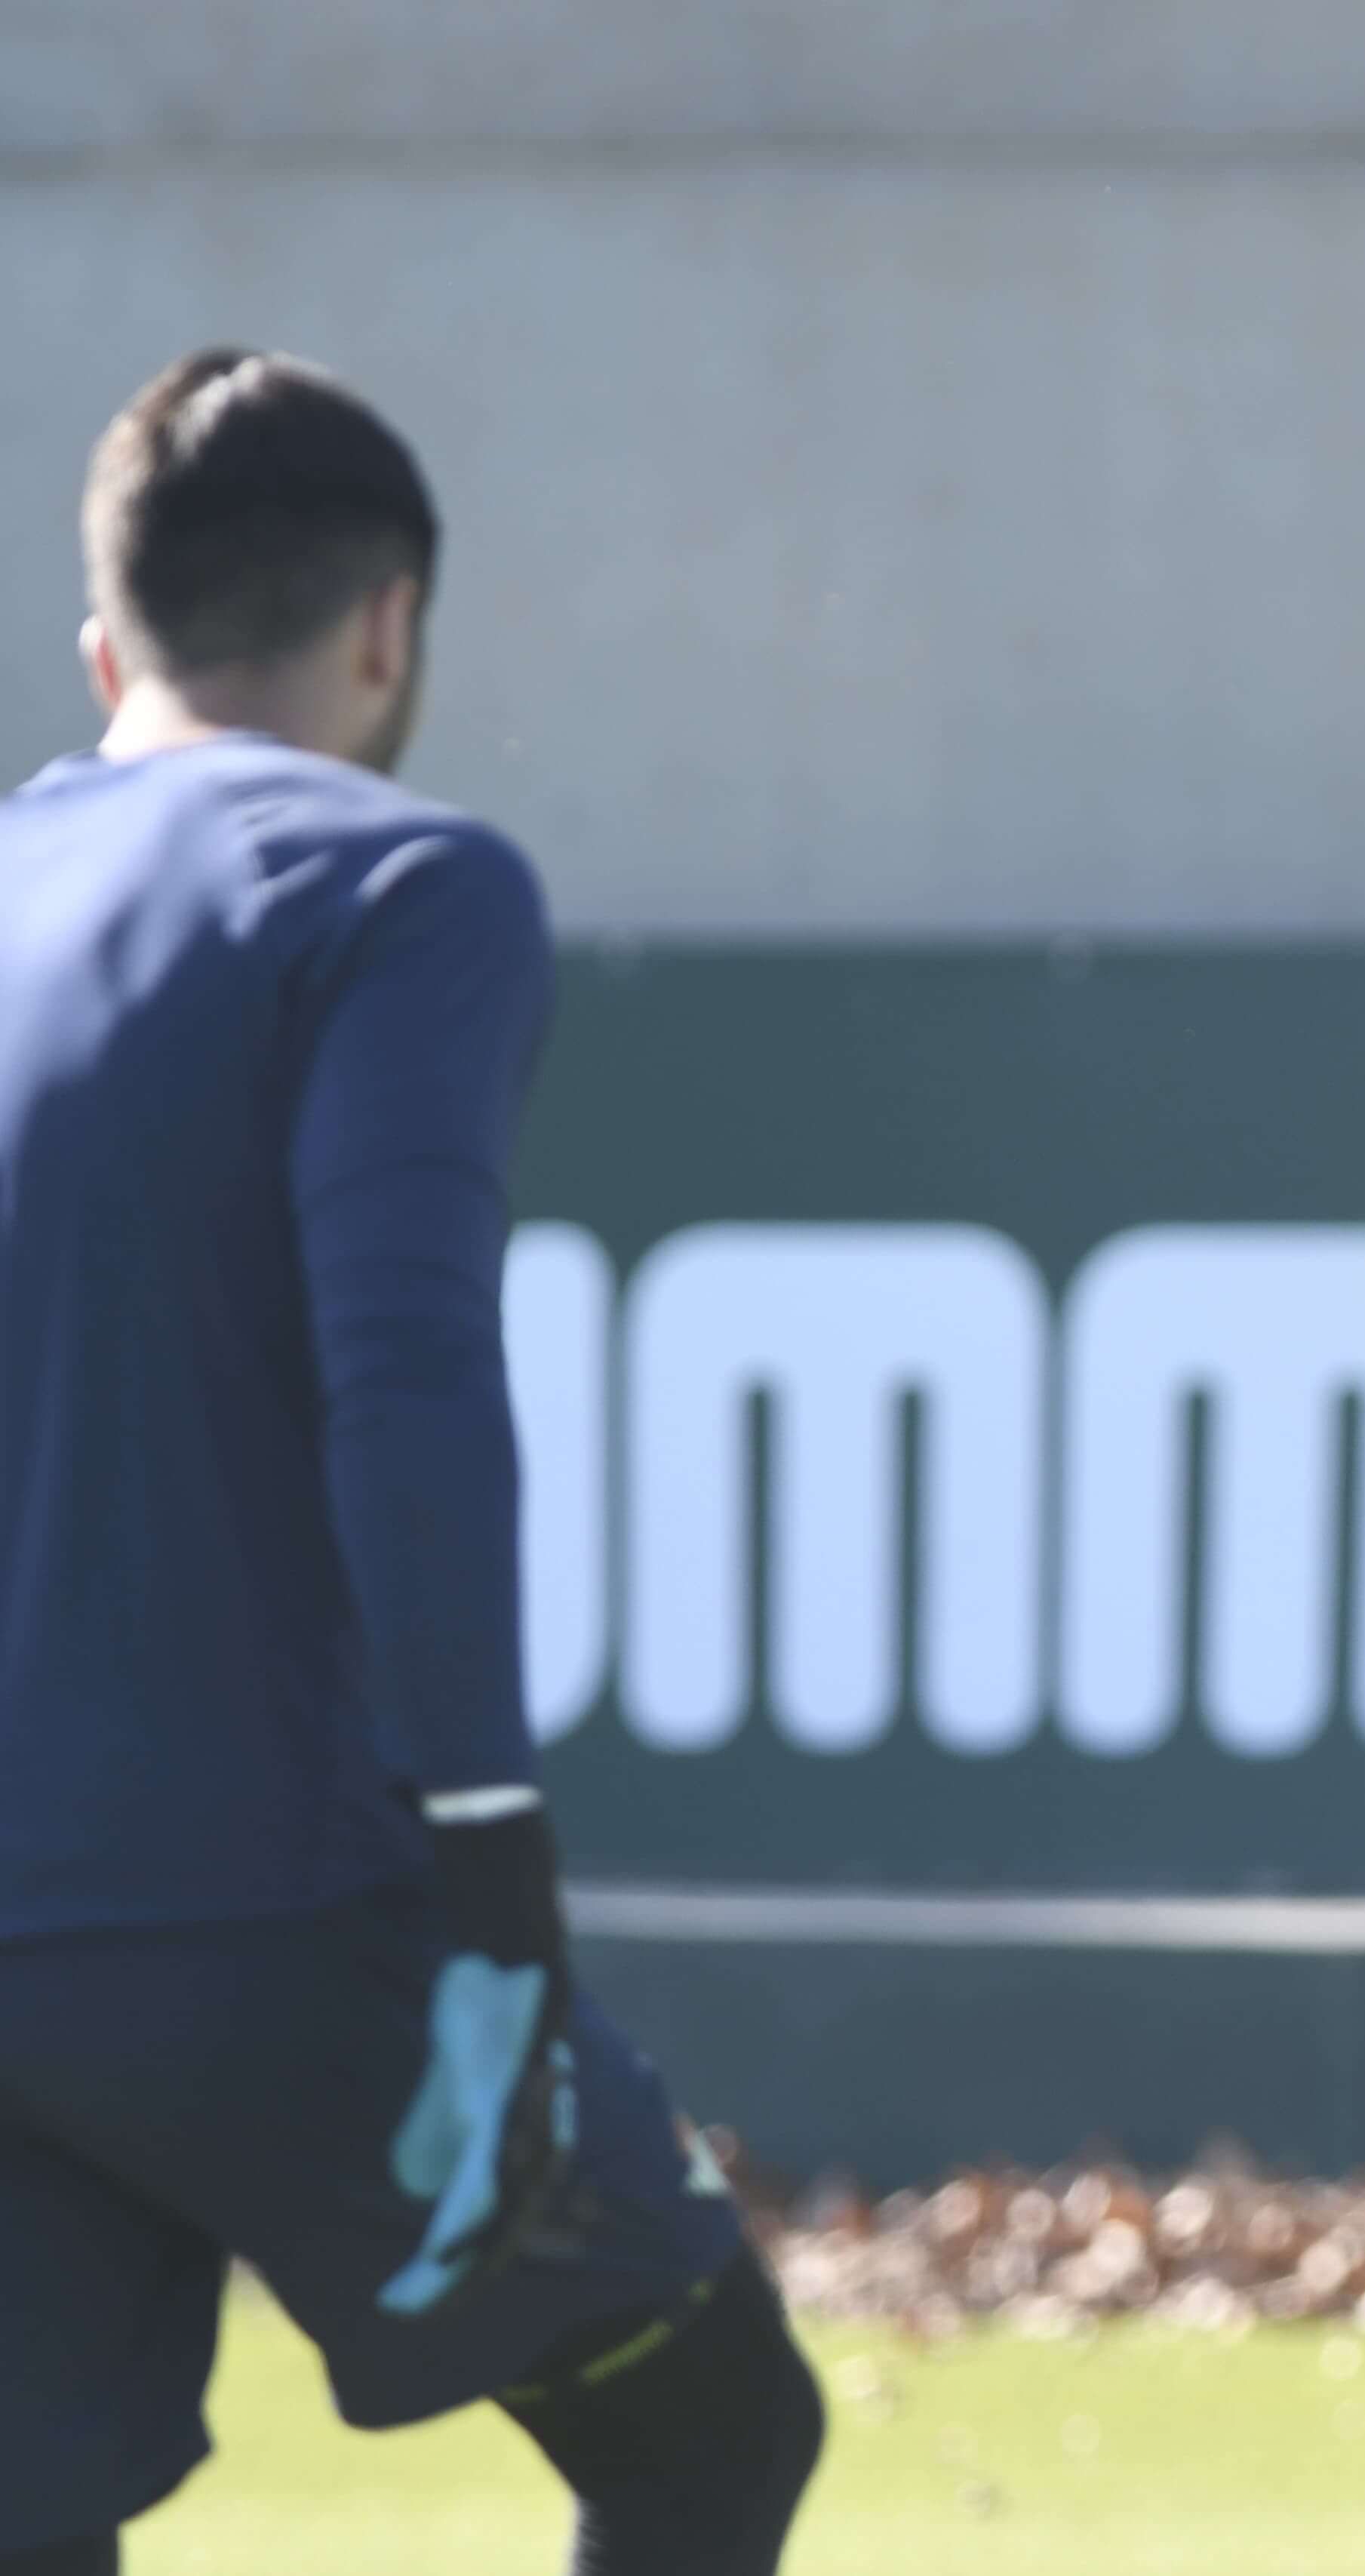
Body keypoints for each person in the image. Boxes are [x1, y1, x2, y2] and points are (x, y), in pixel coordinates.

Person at [0, 352, 823, 2576]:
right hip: (279, 1908)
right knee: (709, 2436)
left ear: (104, 650)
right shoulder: (396, 881)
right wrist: (487, 1854)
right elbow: (408, 1364)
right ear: (391, 631)